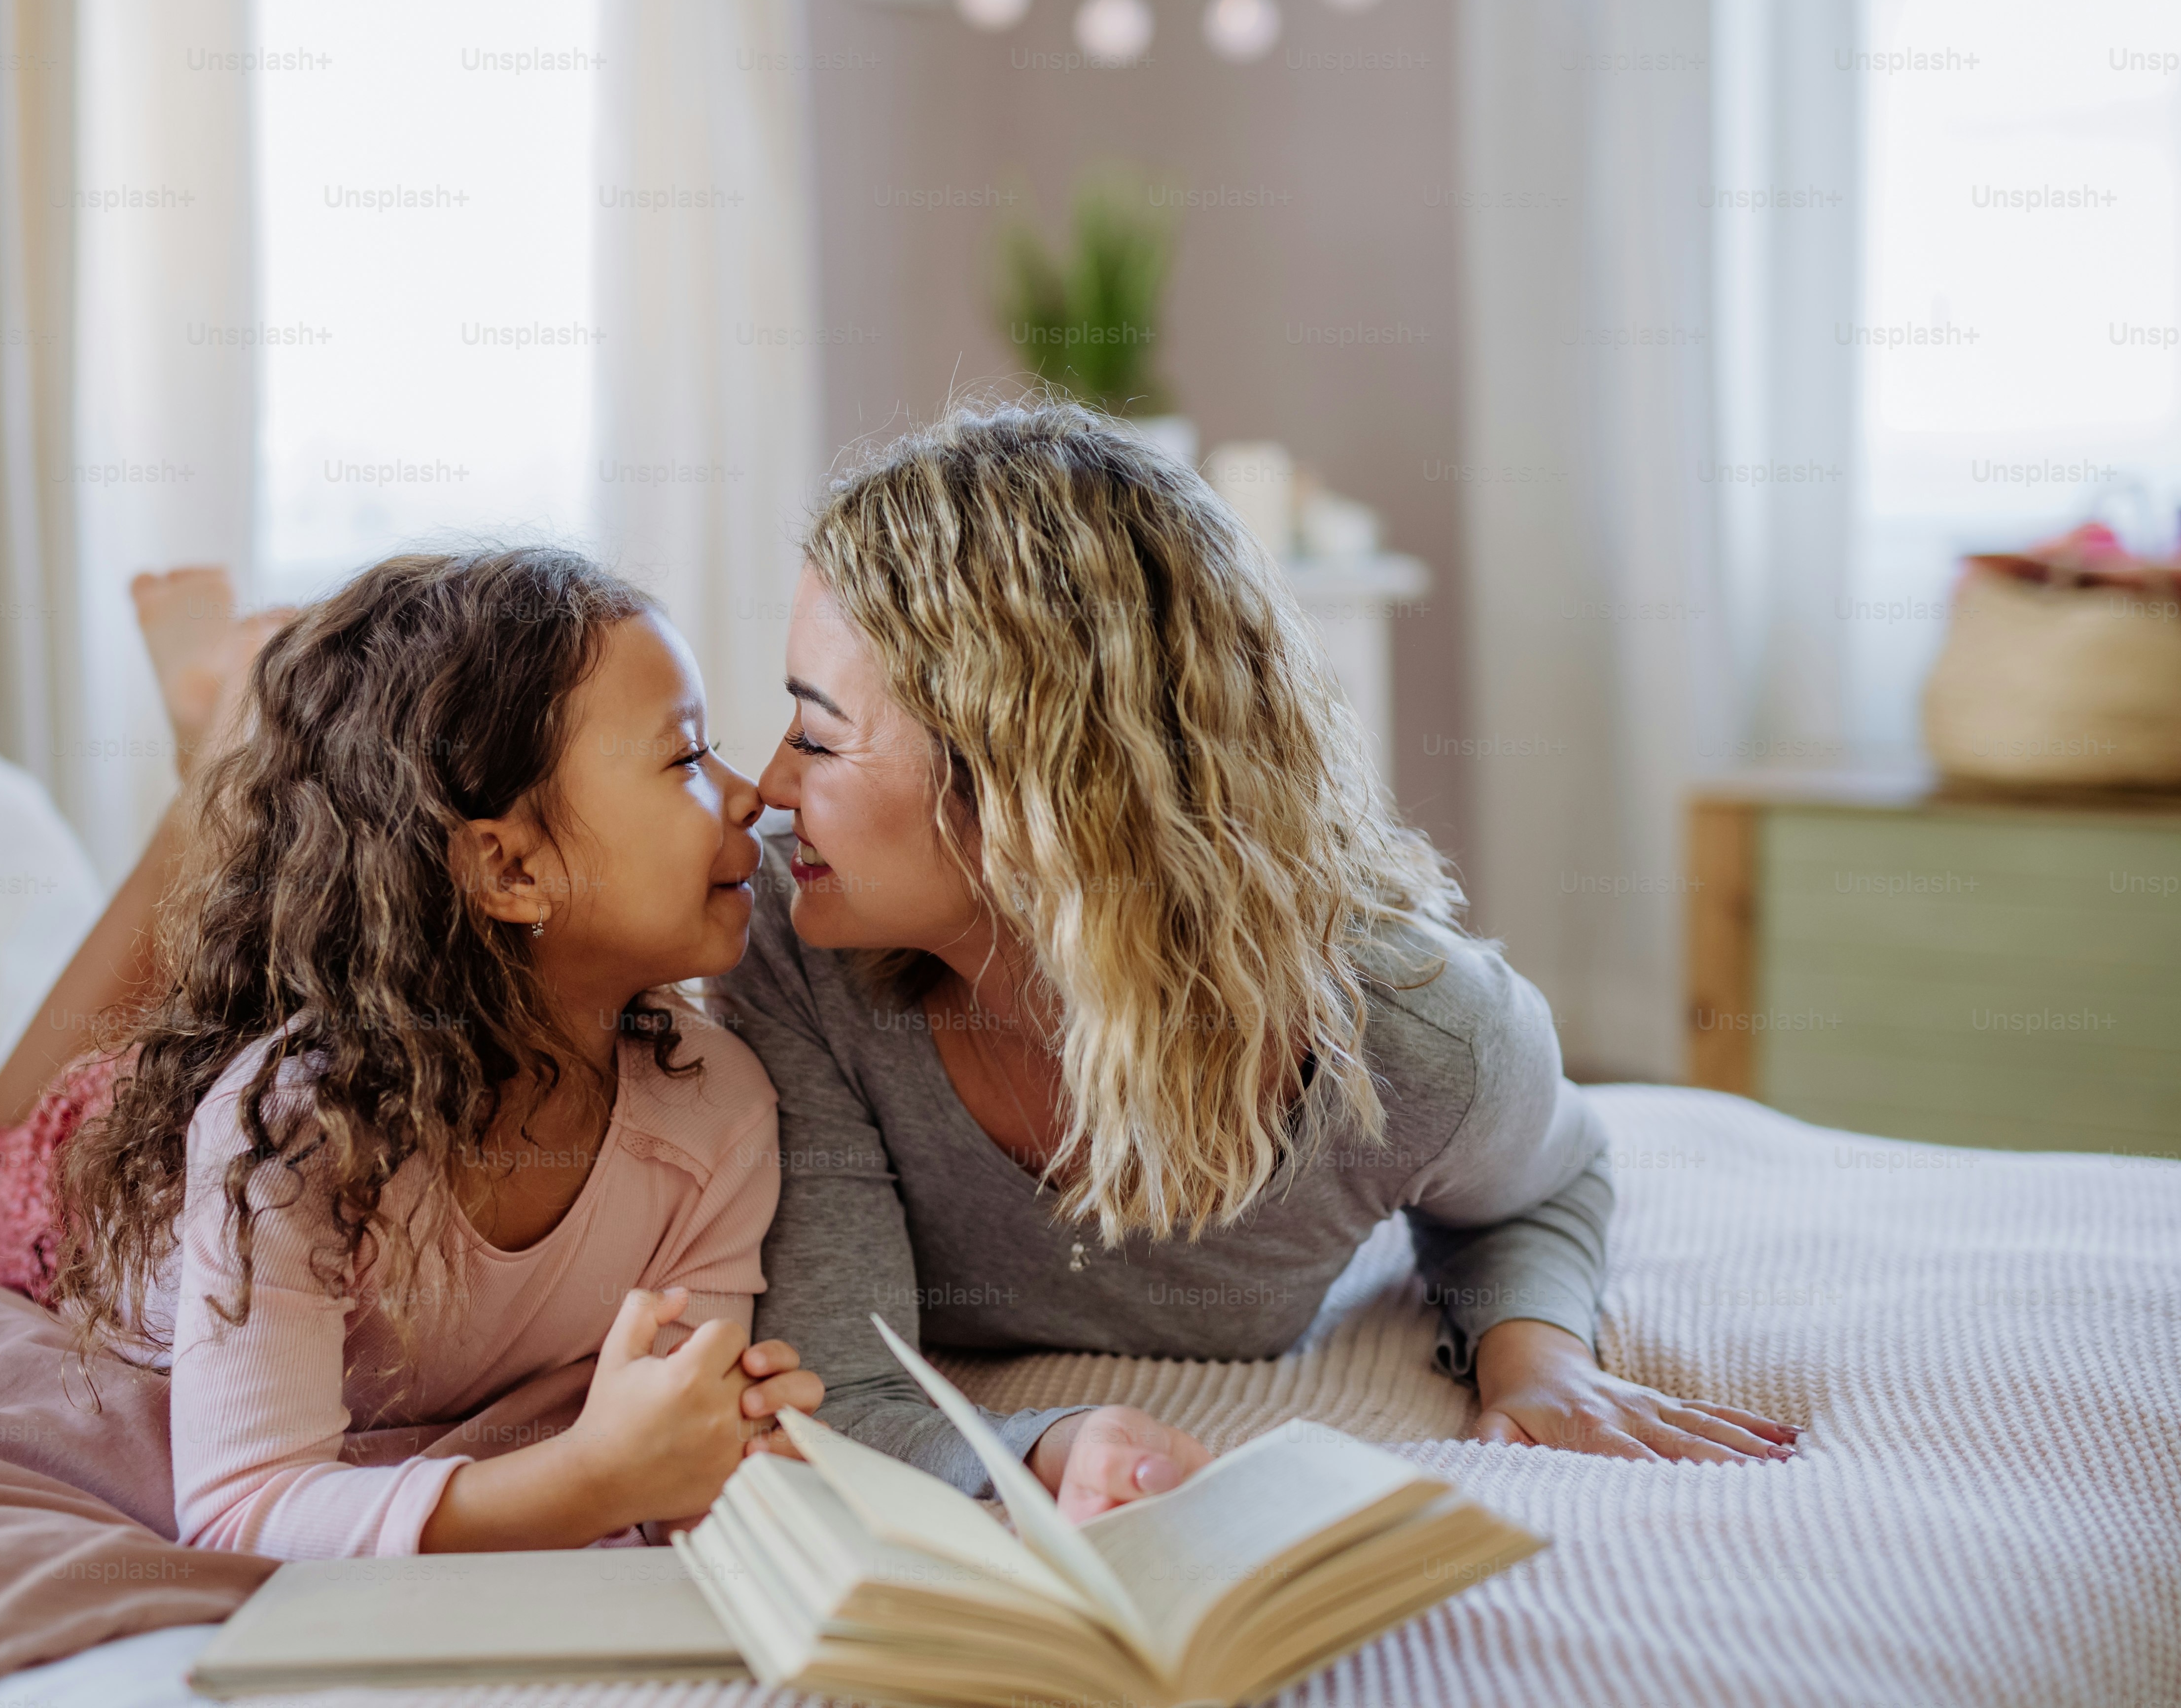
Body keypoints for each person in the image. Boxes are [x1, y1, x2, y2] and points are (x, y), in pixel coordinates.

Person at [715, 398, 1800, 1524]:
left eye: (819, 733)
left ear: (1028, 786)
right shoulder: (794, 948)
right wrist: (1055, 1447)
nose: (766, 786)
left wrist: (1536, 1353)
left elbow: (1553, 1175)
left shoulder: (1421, 1034)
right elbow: (833, 1391)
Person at [0, 549, 821, 1557]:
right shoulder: (284, 1134)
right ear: (510, 866)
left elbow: (679, 1457)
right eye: (688, 758)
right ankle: (203, 800)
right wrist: (584, 1481)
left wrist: (727, 1461)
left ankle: (236, 759)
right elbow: (241, 1511)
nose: (754, 795)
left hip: (353, 1036)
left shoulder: (721, 1110)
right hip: (119, 1173)